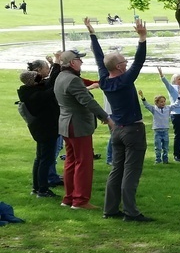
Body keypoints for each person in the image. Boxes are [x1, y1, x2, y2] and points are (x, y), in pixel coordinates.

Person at [86, 17, 152, 222]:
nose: (127, 62)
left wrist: (92, 34)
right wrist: (142, 38)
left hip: (117, 132)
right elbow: (139, 62)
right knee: (131, 172)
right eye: (124, 61)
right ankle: (131, 212)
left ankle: (110, 209)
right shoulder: (124, 80)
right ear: (120, 67)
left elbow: (99, 58)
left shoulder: (105, 80)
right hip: (133, 130)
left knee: (117, 170)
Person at [54, 49, 114, 210]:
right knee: (83, 162)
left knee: (71, 161)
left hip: (66, 125)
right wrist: (106, 118)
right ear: (72, 63)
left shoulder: (60, 77)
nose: (81, 62)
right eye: (79, 60)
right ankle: (80, 200)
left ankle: (68, 198)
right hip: (77, 125)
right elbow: (88, 101)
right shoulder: (73, 80)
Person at [18, 55, 61, 198]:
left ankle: (36, 187)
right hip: (46, 130)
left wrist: (55, 64)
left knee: (39, 158)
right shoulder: (36, 96)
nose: (42, 79)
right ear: (33, 82)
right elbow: (52, 85)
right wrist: (56, 63)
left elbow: (49, 82)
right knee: (46, 159)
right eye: (38, 78)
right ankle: (42, 189)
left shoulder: (30, 91)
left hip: (40, 130)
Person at [138, 91, 177, 164]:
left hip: (165, 130)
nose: (163, 103)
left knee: (165, 147)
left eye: (164, 101)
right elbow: (147, 105)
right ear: (156, 103)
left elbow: (175, 105)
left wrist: (179, 97)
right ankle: (158, 160)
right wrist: (143, 97)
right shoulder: (154, 109)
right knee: (158, 147)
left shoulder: (168, 108)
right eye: (161, 102)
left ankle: (165, 160)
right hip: (157, 131)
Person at [158, 67, 180, 162]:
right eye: (179, 79)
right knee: (179, 135)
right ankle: (176, 155)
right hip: (177, 114)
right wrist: (162, 76)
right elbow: (166, 83)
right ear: (174, 81)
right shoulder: (173, 88)